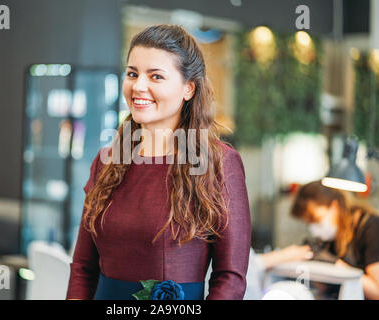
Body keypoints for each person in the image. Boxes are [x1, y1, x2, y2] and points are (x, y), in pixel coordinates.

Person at [66, 24, 251, 300]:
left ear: (188, 88)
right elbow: (83, 267)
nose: (139, 86)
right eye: (132, 74)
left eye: (156, 76)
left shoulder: (219, 163)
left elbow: (230, 278)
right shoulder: (106, 162)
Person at [290, 180, 379, 300]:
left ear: (334, 206)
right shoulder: (331, 238)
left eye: (316, 219)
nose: (314, 229)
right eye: (308, 223)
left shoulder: (371, 228)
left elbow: (377, 292)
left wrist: (337, 265)